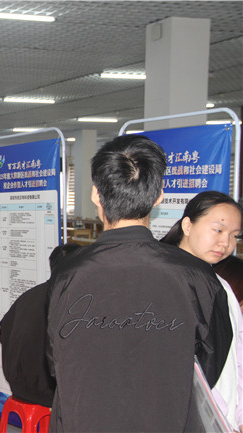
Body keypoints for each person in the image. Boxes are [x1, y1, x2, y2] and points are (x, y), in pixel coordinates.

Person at [47, 134, 232, 432]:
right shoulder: (198, 277)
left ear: (95, 195)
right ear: (159, 196)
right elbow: (210, 365)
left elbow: (55, 360)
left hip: (84, 420)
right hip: (170, 420)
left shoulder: (68, 273)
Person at [161, 190, 243, 431]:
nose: (226, 243)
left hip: (219, 418)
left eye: (234, 236)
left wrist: (238, 416)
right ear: (187, 225)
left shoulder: (220, 286)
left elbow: (236, 355)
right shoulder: (162, 279)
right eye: (218, 230)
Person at [0, 243, 81, 407]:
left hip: (18, 387)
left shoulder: (29, 295)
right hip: (49, 394)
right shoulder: (73, 301)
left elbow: (4, 331)